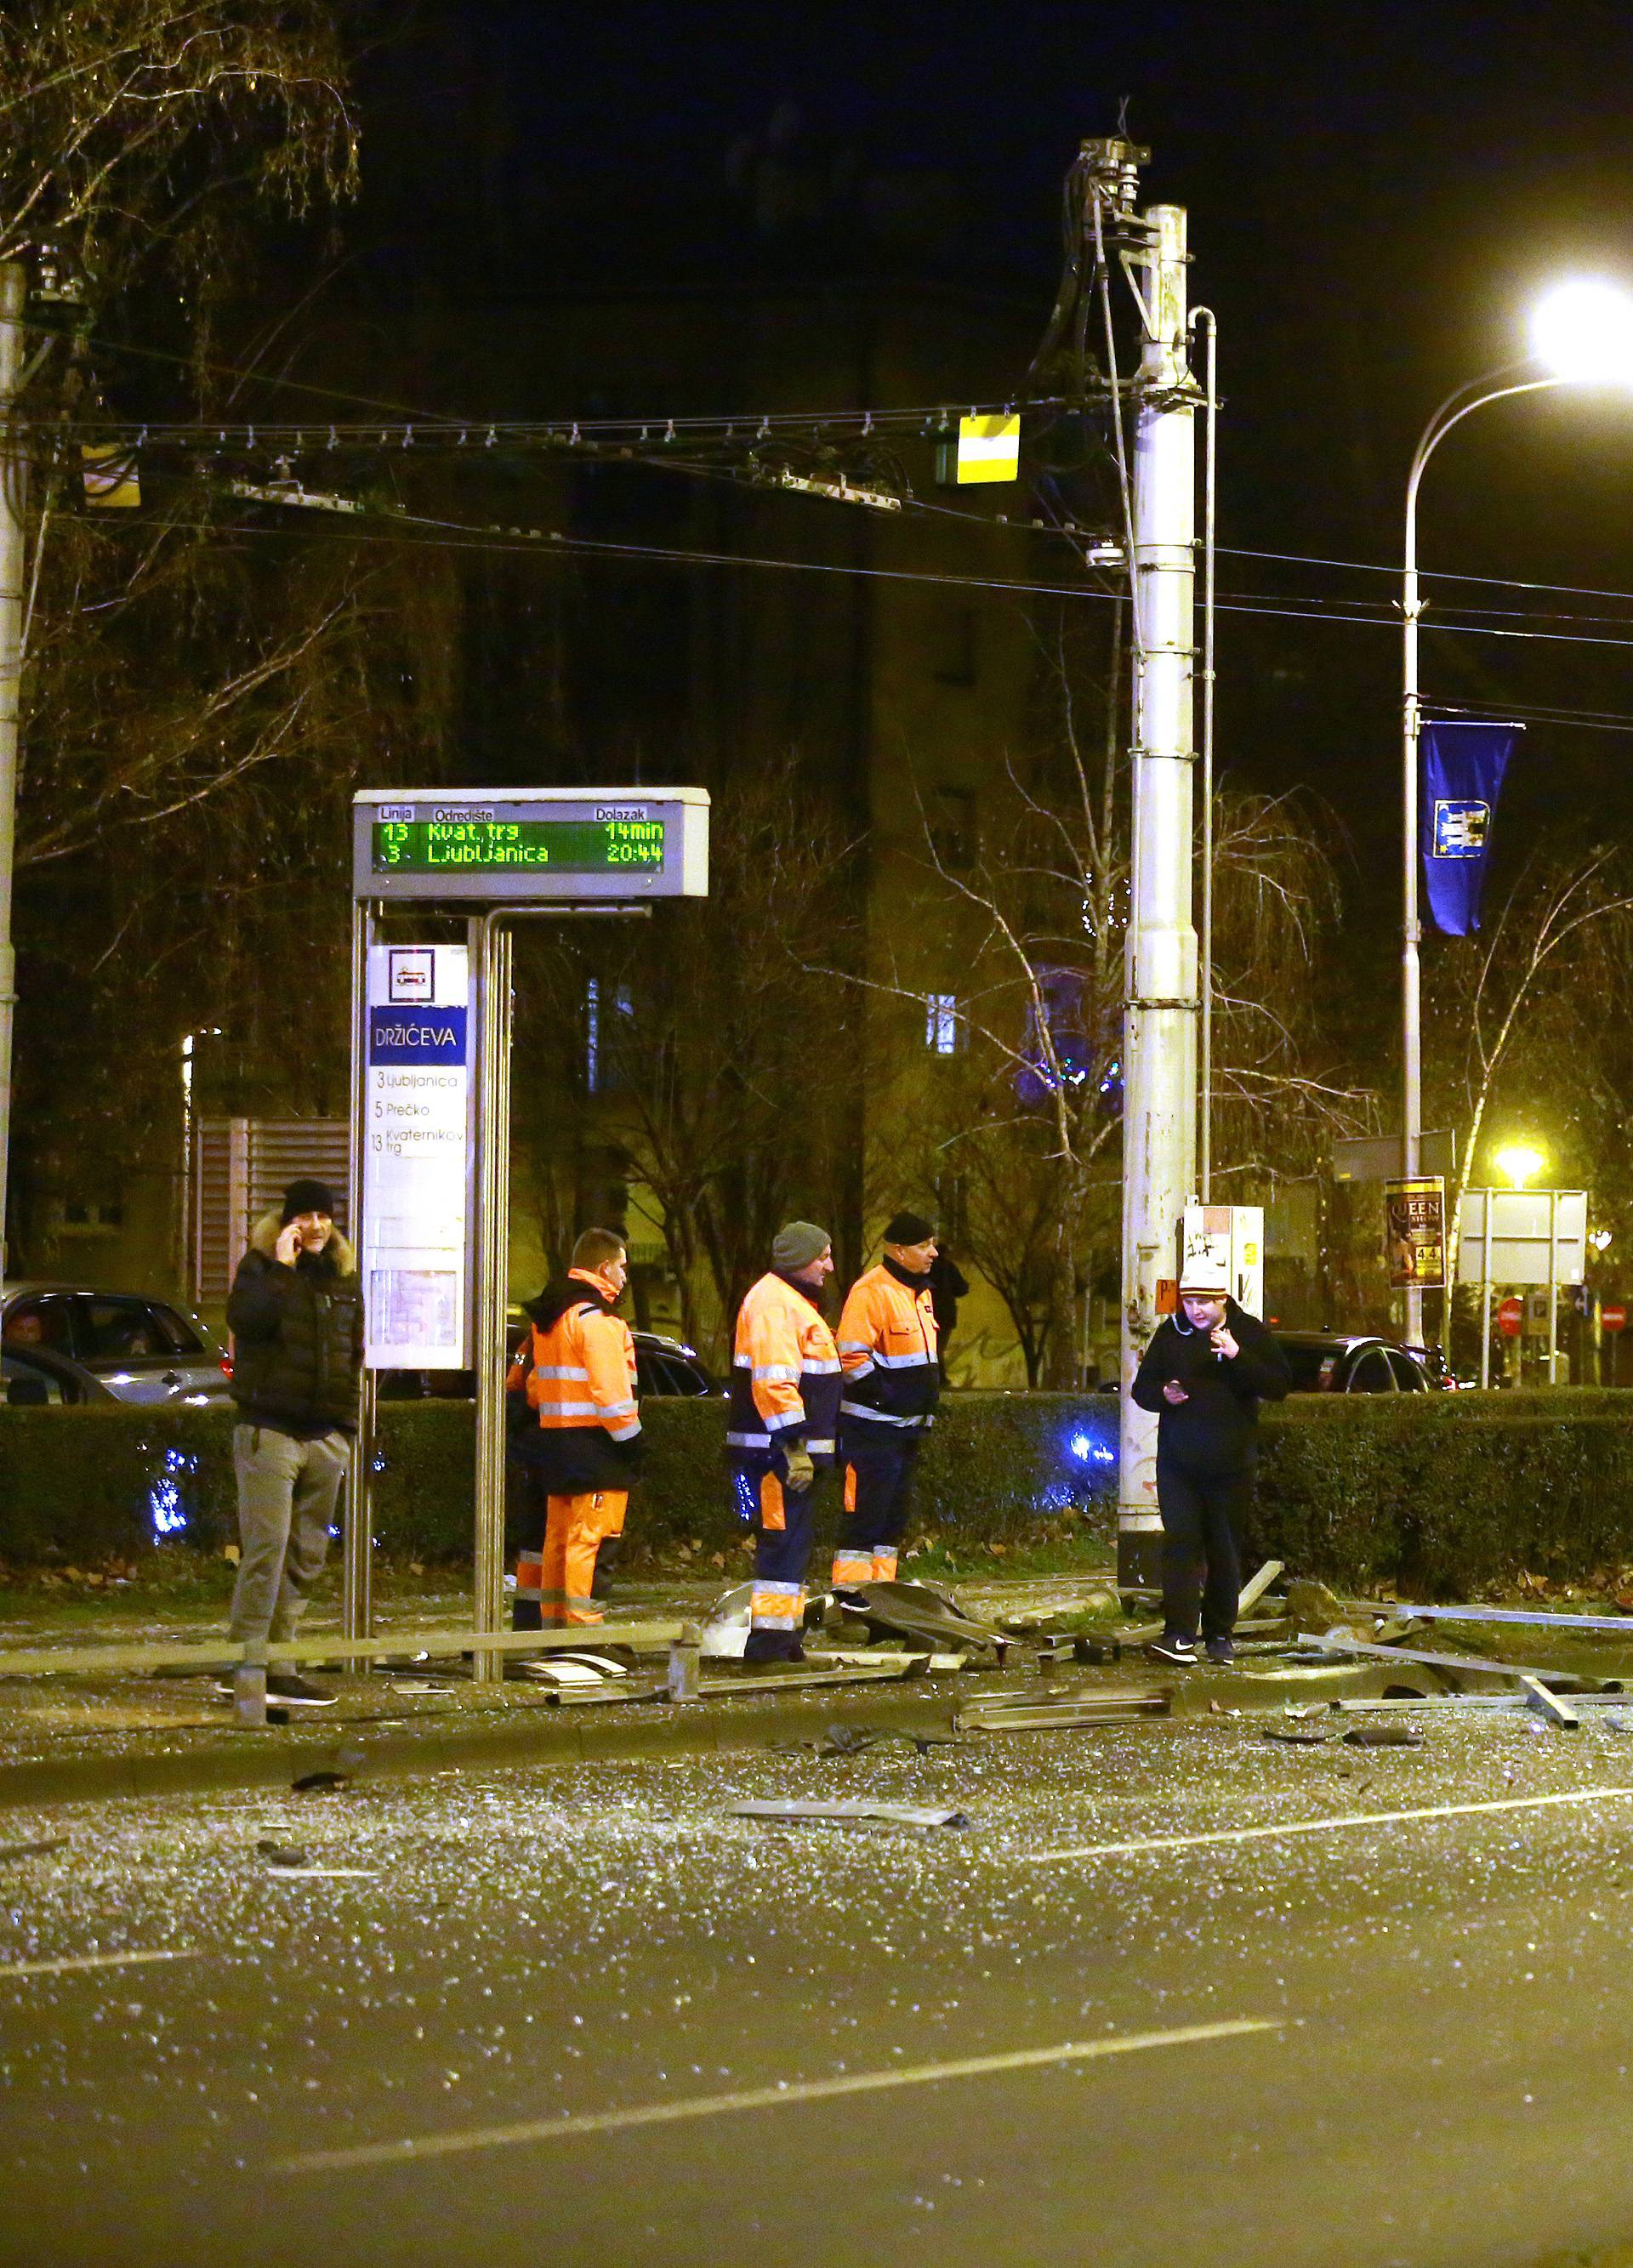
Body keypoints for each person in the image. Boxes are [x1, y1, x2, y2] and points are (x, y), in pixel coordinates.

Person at [223, 1177, 363, 1708]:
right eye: (305, 1216)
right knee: (267, 1551)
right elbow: (246, 1320)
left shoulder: (342, 1276)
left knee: (306, 1556)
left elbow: (353, 1354)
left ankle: (281, 1661)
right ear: (288, 1223)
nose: (317, 1224)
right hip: (271, 1431)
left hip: (325, 1436)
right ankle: (247, 1665)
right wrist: (282, 1269)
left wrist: (344, 1432)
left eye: (323, 1216)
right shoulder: (260, 1269)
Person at [1130, 1262, 1291, 1667]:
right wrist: (1163, 1394)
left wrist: (1238, 1356)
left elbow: (1279, 1385)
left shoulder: (1249, 1331)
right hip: (1179, 1462)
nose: (1195, 1310)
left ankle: (1219, 1633)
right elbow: (1141, 1388)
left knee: (1223, 1548)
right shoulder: (1171, 1334)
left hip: (1231, 1463)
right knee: (1181, 1542)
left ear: (1223, 1299)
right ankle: (1179, 1634)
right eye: (1188, 1301)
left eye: (1204, 1301)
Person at [507, 1228, 641, 1628]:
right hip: (598, 1447)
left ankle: (553, 1626)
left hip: (555, 1443)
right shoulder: (596, 1320)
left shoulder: (551, 1318)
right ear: (603, 1267)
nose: (624, 1277)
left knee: (560, 1543)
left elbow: (531, 1386)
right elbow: (612, 1394)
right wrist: (633, 1442)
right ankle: (584, 1633)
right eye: (621, 1267)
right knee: (593, 1543)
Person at [727, 1221, 842, 1663]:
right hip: (776, 1454)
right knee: (782, 1548)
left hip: (777, 1451)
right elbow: (775, 1382)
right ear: (799, 1259)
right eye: (823, 1256)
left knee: (790, 1547)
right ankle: (771, 1647)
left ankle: (783, 1642)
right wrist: (795, 1448)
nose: (829, 1266)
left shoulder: (783, 1301)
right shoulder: (776, 1303)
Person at [834, 1210, 940, 1590]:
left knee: (891, 1525)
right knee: (865, 1522)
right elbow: (850, 1356)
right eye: (924, 1245)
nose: (934, 1253)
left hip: (903, 1432)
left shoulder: (920, 1293)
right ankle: (852, 1603)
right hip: (872, 1432)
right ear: (898, 1250)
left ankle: (882, 1604)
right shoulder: (871, 1291)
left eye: (933, 1244)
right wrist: (887, 1400)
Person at [925, 1247, 970, 1379]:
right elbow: (962, 1288)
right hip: (946, 1313)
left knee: (931, 1348)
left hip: (929, 1312)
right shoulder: (949, 1268)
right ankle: (940, 1377)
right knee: (939, 1347)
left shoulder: (926, 1267)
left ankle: (937, 1378)